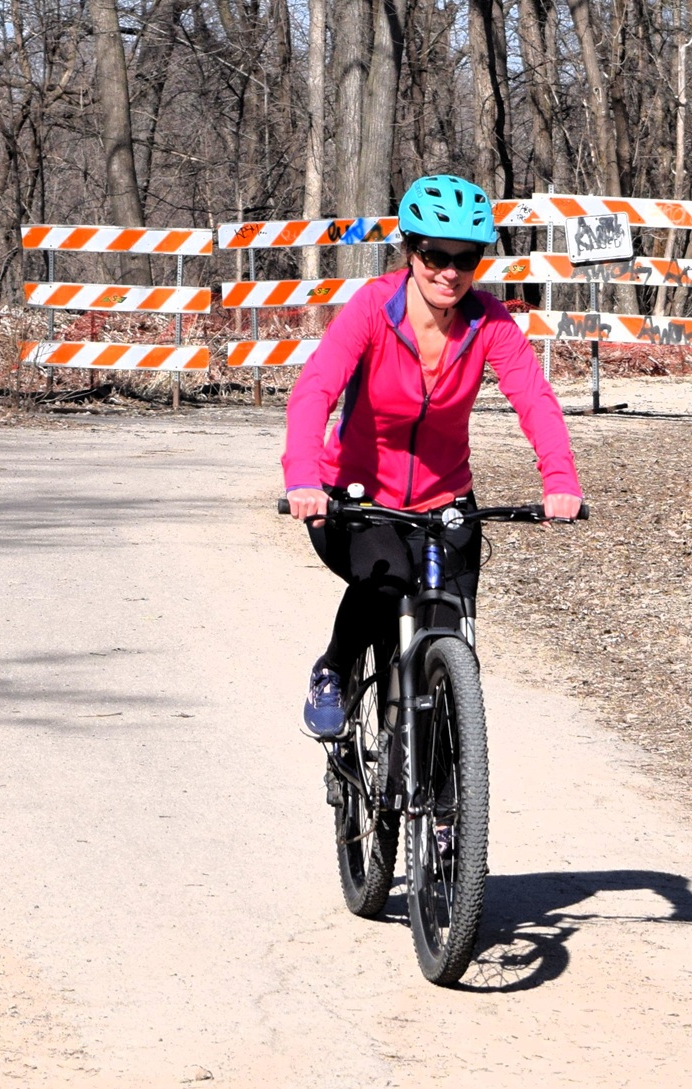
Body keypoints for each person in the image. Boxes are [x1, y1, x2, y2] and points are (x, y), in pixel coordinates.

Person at [282, 174, 583, 738]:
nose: (449, 272)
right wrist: (303, 478)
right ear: (409, 250)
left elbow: (535, 400)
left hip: (446, 500)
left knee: (452, 634)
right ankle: (335, 669)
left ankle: (447, 809)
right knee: (388, 579)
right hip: (355, 498)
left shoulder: (489, 321)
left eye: (465, 258)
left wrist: (560, 478)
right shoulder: (374, 308)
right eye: (434, 255)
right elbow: (315, 389)